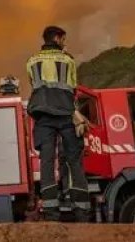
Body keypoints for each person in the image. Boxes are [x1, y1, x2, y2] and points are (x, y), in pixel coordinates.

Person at [26, 26, 90, 222]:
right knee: (74, 161)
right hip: (65, 114)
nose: (65, 42)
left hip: (43, 116)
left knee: (46, 162)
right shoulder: (68, 60)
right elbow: (73, 89)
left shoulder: (31, 61)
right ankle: (82, 212)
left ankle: (51, 212)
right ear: (56, 38)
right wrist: (76, 114)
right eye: (63, 38)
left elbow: (34, 85)